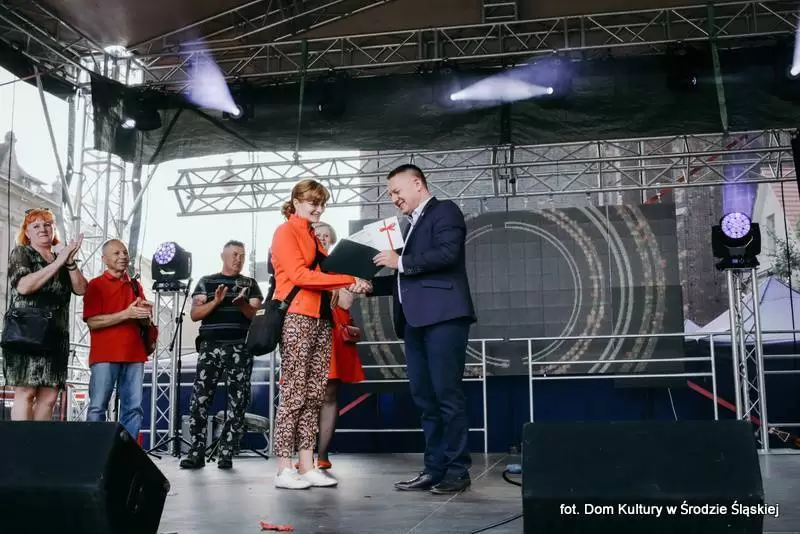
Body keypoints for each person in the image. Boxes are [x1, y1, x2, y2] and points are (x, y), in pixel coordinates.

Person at [371, 164, 477, 494]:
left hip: (444, 317)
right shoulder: (409, 225)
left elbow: (447, 254)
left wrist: (399, 261)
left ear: (417, 184)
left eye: (397, 191)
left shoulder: (445, 210)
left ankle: (457, 471)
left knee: (447, 395)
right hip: (414, 321)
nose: (394, 198)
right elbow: (408, 278)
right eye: (390, 194)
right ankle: (434, 469)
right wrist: (369, 287)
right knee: (425, 399)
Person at [270, 179, 371, 490]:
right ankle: (284, 468)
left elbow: (326, 274)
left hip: (322, 319)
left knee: (314, 394)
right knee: (294, 394)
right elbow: (300, 275)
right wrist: (347, 279)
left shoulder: (313, 236)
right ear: (296, 202)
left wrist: (355, 279)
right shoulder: (285, 231)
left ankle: (306, 464)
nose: (319, 208)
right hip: (297, 316)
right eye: (313, 202)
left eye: (322, 203)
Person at [180, 240, 263, 470]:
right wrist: (216, 301)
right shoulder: (206, 282)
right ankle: (196, 451)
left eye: (242, 255)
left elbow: (256, 316)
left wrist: (242, 304)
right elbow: (195, 314)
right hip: (210, 347)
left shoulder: (250, 284)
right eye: (234, 254)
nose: (239, 259)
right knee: (200, 399)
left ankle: (227, 451)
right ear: (223, 256)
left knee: (238, 400)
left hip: (239, 347)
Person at [3, 207, 87, 421]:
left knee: (49, 398)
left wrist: (69, 262)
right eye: (36, 226)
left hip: (55, 336)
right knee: (26, 392)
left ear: (54, 229)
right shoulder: (22, 253)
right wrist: (58, 262)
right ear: (27, 232)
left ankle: (39, 441)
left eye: (47, 224)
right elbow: (24, 286)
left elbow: (81, 289)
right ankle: (22, 441)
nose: (43, 229)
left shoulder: (62, 258)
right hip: (26, 334)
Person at [83, 239, 154, 441]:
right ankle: (94, 451)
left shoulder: (135, 285)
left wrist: (144, 315)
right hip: (105, 355)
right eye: (116, 253)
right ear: (104, 259)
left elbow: (143, 322)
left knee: (133, 408)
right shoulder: (95, 285)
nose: (123, 256)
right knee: (98, 406)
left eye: (125, 252)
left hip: (134, 354)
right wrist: (126, 314)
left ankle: (127, 453)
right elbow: (93, 322)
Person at [310, 221, 365, 470]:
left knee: (329, 394)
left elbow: (345, 302)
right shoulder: (301, 263)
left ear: (332, 241)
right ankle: (303, 455)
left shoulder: (341, 267)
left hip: (334, 332)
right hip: (308, 330)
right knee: (305, 394)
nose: (322, 239)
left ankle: (322, 454)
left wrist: (331, 284)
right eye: (317, 235)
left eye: (326, 236)